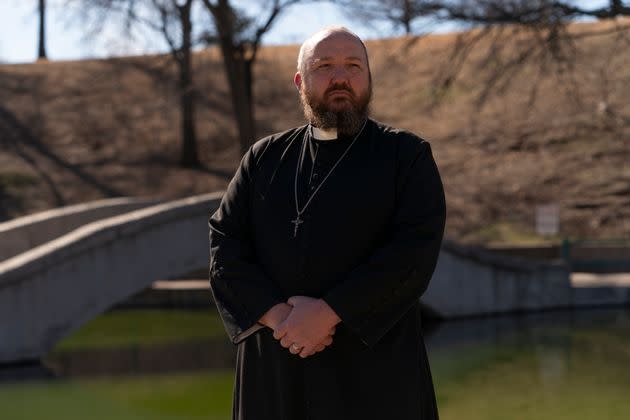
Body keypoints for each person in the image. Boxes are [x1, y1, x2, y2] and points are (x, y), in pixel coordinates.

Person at [209, 26, 446, 420]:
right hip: (274, 367)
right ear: (300, 81)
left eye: (353, 66)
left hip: (374, 374)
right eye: (324, 66)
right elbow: (224, 248)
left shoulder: (406, 156)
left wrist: (329, 312)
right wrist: (280, 319)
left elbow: (412, 255)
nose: (341, 77)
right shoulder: (263, 158)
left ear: (368, 79)